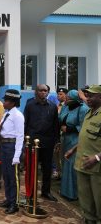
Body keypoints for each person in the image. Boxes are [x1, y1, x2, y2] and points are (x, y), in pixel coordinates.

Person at [65, 85, 101, 223]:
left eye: (91, 96)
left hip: (96, 169)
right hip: (82, 164)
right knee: (86, 201)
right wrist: (73, 149)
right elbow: (85, 136)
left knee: (98, 201)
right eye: (87, 95)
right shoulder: (89, 113)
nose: (88, 98)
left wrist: (97, 157)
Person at [24, 84, 59, 201]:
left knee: (47, 168)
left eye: (45, 91)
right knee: (31, 168)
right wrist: (26, 140)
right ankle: (31, 192)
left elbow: (55, 126)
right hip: (33, 143)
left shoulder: (53, 107)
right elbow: (25, 124)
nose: (43, 92)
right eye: (41, 90)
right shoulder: (30, 106)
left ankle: (46, 191)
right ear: (36, 92)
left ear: (48, 92)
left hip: (48, 143)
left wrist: (56, 141)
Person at [0, 89, 24, 215]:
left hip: (12, 146)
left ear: (13, 102)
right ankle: (9, 199)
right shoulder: (7, 113)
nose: (4, 102)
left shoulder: (18, 116)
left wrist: (17, 155)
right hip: (4, 146)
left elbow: (20, 136)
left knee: (13, 177)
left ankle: (15, 203)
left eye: (6, 100)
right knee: (6, 175)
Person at [58, 90, 88, 201]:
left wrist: (70, 128)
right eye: (66, 98)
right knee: (65, 165)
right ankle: (65, 191)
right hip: (66, 139)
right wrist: (62, 125)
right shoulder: (66, 107)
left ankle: (74, 193)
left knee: (72, 166)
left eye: (69, 99)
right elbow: (60, 118)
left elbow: (84, 126)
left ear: (76, 99)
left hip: (76, 140)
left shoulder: (83, 109)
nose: (66, 100)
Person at [53, 87, 68, 180]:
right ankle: (58, 172)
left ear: (66, 95)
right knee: (56, 154)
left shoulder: (66, 106)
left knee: (62, 155)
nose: (59, 96)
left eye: (61, 94)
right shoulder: (57, 105)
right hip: (56, 134)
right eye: (58, 94)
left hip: (64, 134)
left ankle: (63, 175)